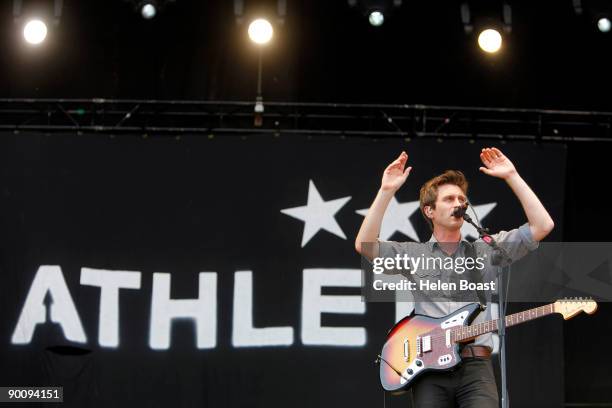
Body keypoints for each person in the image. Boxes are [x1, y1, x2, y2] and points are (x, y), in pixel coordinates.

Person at [355, 147, 555, 408]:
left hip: (476, 366)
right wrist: (386, 191)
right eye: (449, 199)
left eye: (462, 199)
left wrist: (512, 176)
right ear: (429, 211)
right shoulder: (413, 254)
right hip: (430, 371)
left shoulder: (486, 251)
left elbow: (542, 226)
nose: (459, 204)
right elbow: (365, 245)